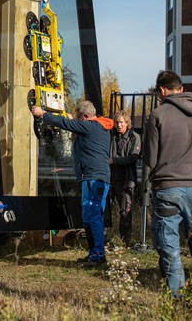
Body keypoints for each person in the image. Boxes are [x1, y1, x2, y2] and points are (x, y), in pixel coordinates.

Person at [143, 70, 192, 294]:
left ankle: (177, 296)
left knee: (170, 247)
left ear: (162, 91)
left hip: (167, 188)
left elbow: (150, 158)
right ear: (181, 88)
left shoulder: (158, 115)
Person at [31, 100, 113, 267]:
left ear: (86, 117)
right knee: (89, 216)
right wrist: (73, 120)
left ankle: (98, 256)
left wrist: (43, 114)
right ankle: (94, 253)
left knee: (93, 216)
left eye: (79, 118)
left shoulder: (90, 126)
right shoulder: (97, 127)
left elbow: (65, 124)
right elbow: (73, 125)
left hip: (94, 179)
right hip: (95, 177)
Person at [109, 109, 140, 245]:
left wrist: (114, 160)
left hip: (126, 180)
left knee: (125, 212)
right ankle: (103, 238)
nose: (119, 125)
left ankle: (125, 241)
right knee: (104, 209)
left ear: (127, 123)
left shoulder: (134, 137)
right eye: (116, 122)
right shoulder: (111, 136)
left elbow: (133, 158)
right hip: (110, 178)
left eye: (121, 122)